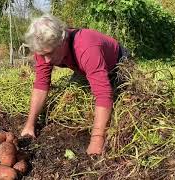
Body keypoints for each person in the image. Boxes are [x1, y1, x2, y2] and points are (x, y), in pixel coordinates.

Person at [21, 14, 129, 155]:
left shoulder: (86, 48)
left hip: (117, 62)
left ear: (62, 41)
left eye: (49, 54)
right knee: (76, 91)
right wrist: (30, 125)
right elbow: (41, 83)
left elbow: (103, 94)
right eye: (42, 55)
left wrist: (97, 140)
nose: (46, 61)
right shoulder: (44, 48)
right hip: (84, 65)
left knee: (120, 96)